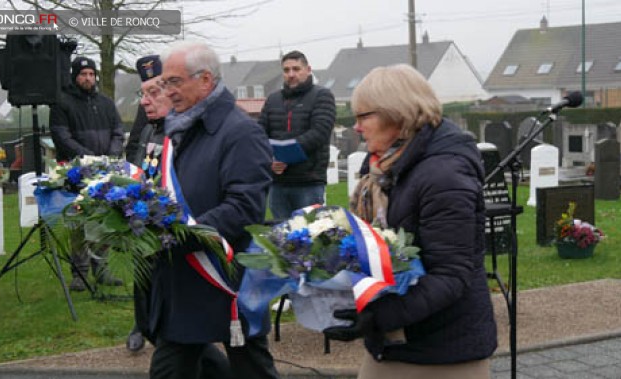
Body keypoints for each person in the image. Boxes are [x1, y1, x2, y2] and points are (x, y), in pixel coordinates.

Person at [323, 64, 497, 378]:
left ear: (398, 114)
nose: (357, 127)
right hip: (395, 341)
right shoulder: (383, 165)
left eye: (364, 116)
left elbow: (451, 275)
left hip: (443, 352)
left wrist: (377, 316)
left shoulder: (443, 175)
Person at [146, 41, 280, 379]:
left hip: (222, 277)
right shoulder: (179, 128)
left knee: (251, 369)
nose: (168, 92)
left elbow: (244, 207)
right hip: (183, 277)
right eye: (165, 83)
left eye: (174, 82)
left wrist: (183, 235)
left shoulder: (240, 132)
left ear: (206, 80)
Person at [124, 54, 234, 378]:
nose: (146, 101)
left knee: (178, 343)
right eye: (142, 93)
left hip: (185, 248)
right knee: (160, 330)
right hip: (150, 240)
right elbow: (137, 164)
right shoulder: (149, 130)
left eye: (155, 91)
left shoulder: (190, 134)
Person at [49, 56, 125, 291]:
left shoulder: (106, 103)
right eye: (83, 74)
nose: (88, 78)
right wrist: (87, 158)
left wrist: (110, 156)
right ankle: (79, 274)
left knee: (104, 220)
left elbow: (118, 131)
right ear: (75, 76)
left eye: (91, 74)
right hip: (76, 172)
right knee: (79, 222)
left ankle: (101, 270)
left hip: (105, 170)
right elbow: (62, 136)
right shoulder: (62, 103)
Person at [257, 50, 336, 220]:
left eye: (296, 69)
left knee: (310, 236)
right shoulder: (273, 100)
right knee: (281, 239)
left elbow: (319, 133)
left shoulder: (322, 96)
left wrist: (286, 155)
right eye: (286, 70)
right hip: (278, 183)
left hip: (308, 182)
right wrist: (270, 159)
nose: (291, 74)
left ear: (308, 69)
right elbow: (259, 135)